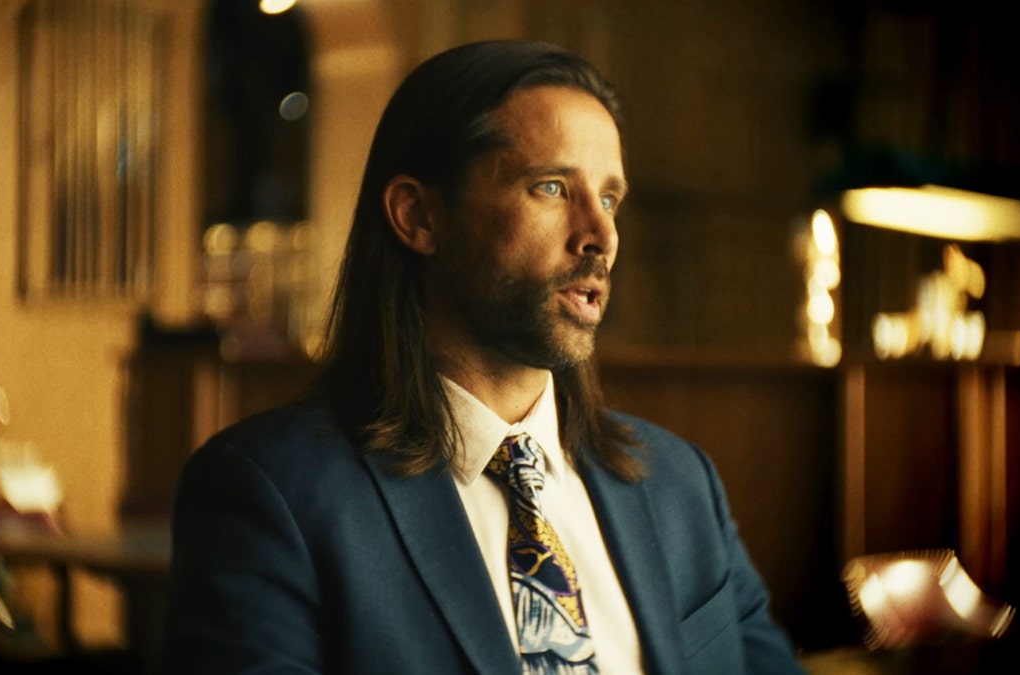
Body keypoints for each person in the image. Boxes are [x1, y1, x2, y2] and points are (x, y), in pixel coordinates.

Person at [163, 40, 805, 675]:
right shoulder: (271, 494)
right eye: (552, 187)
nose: (600, 234)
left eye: (609, 198)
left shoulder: (680, 485)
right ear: (418, 217)